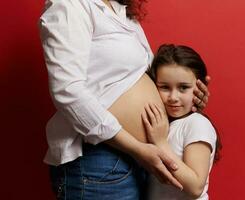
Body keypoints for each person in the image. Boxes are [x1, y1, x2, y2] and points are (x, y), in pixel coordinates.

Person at [39, 0, 210, 199]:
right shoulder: (71, 5)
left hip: (140, 160)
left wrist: (190, 97)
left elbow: (139, 77)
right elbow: (68, 91)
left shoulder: (121, 11)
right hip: (99, 159)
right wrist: (137, 148)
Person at [142, 44, 221, 200]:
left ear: (200, 88)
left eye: (183, 88)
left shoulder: (197, 124)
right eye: (164, 87)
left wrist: (161, 143)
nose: (173, 97)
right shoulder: (166, 124)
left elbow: (195, 187)